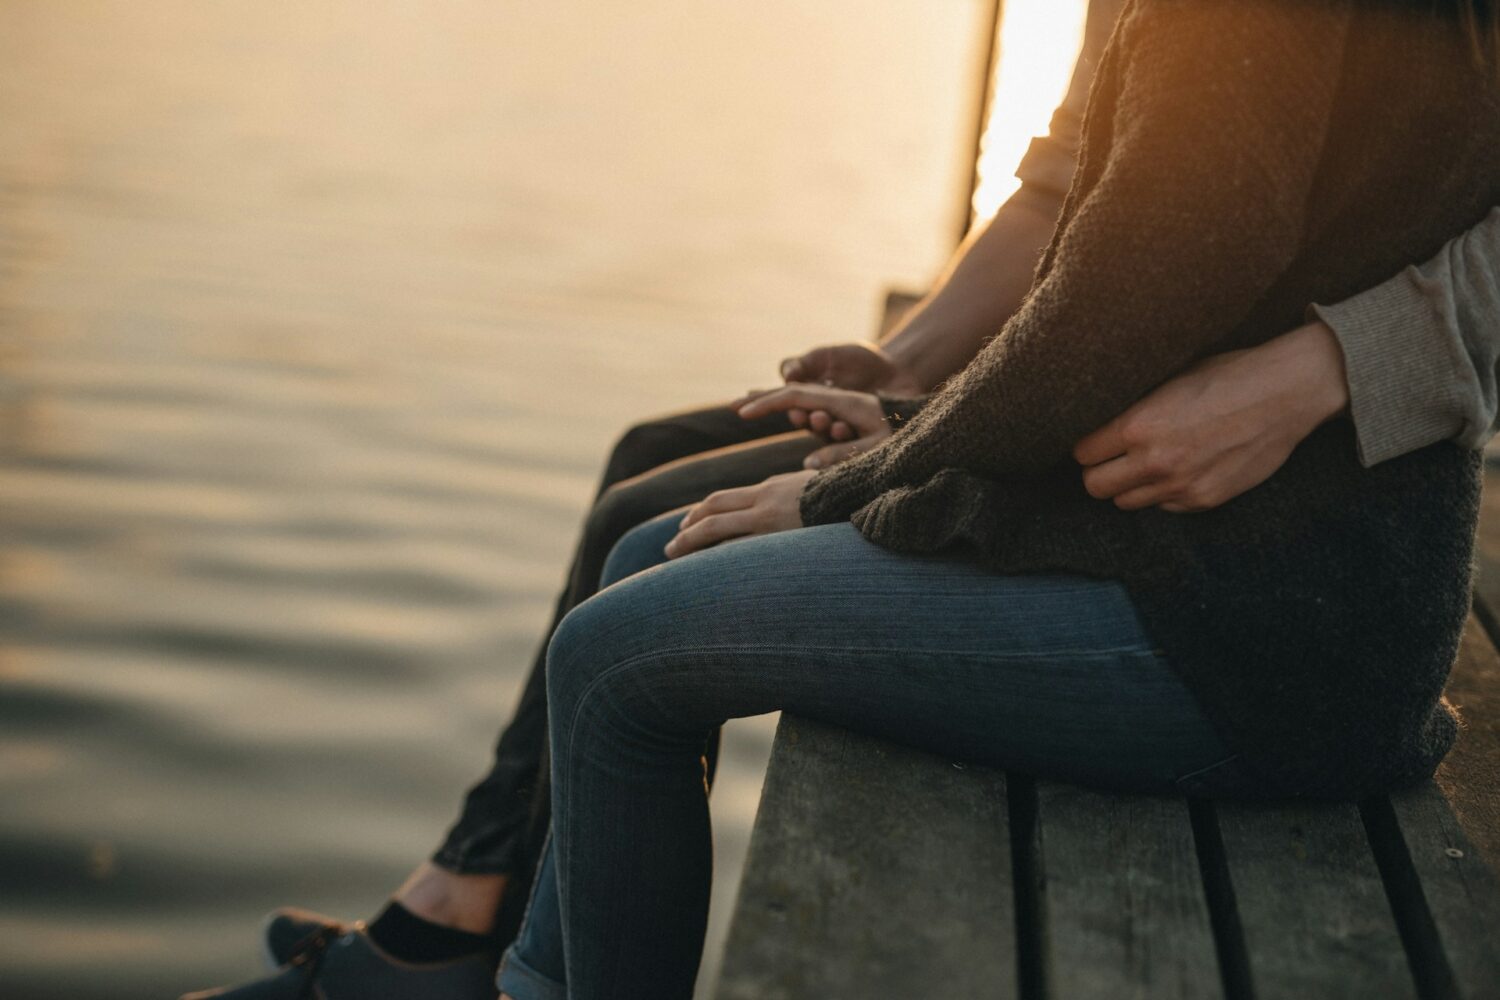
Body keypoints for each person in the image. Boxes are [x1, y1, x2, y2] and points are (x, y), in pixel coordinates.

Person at [183, 0, 1500, 996]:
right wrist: (909, 414)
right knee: (646, 553)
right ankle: (485, 952)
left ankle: (482, 950)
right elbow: (1124, 274)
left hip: (1270, 634)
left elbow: (1140, 291)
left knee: (618, 652)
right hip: (1222, 565)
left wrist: (857, 487)